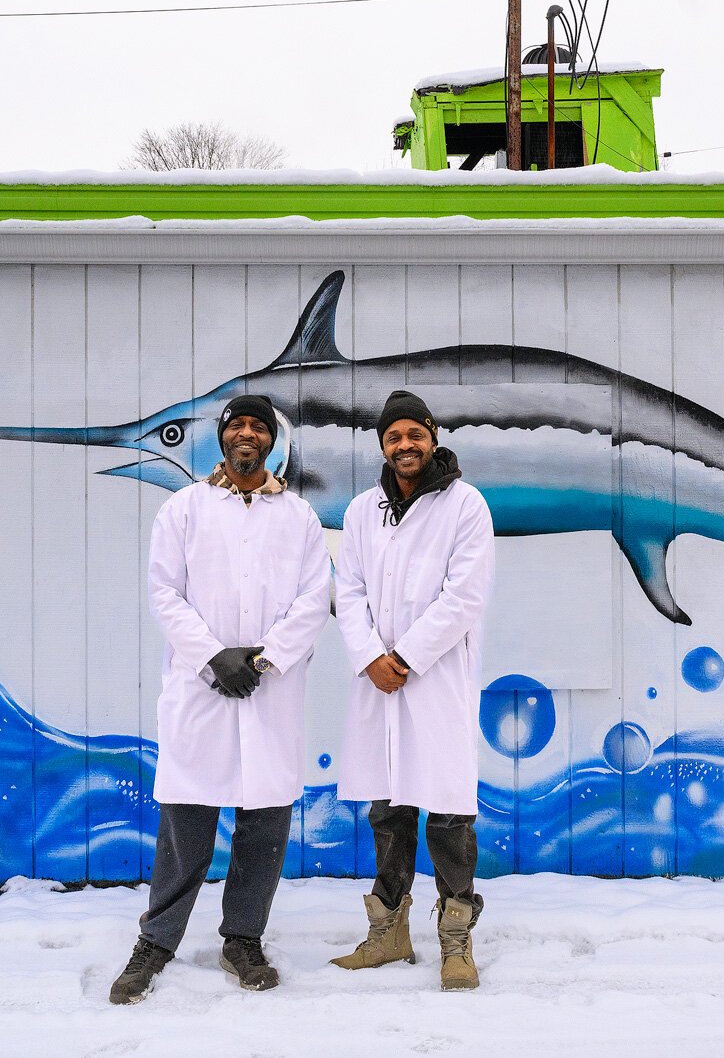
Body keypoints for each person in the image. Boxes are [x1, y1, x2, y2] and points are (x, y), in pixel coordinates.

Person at [108, 393, 332, 1006]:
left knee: (263, 822)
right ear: (223, 437)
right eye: (239, 426)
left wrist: (262, 659)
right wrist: (213, 656)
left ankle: (243, 938)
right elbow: (165, 593)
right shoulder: (183, 510)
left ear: (271, 443)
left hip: (268, 685)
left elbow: (315, 598)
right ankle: (156, 941)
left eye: (261, 428)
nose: (249, 436)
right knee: (187, 819)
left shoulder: (299, 518)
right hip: (200, 683)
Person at [330, 389, 496, 991]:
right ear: (383, 445)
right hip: (378, 682)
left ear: (433, 437)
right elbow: (345, 591)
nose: (405, 446)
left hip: (436, 678)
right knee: (388, 808)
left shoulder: (466, 505)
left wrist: (404, 656)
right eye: (394, 437)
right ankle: (389, 932)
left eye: (414, 435)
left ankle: (455, 937)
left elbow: (465, 595)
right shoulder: (361, 510)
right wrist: (371, 655)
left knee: (449, 814)